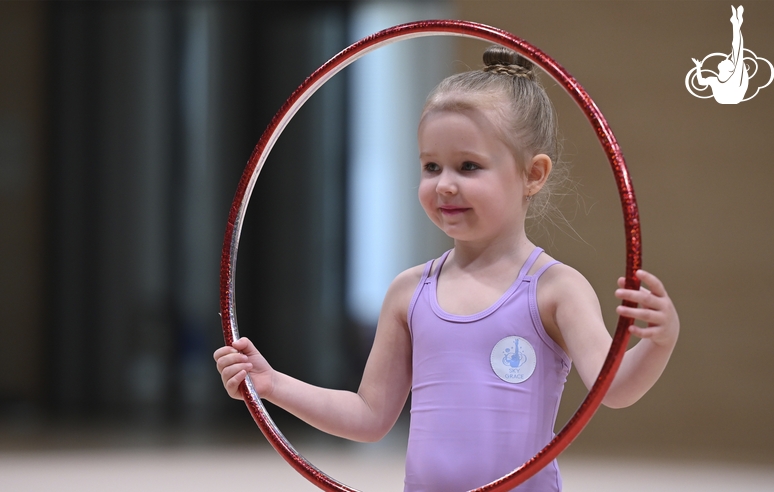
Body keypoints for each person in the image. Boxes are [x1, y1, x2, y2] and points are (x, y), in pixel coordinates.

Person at [214, 45, 679, 491]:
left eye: (469, 166)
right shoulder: (409, 292)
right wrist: (272, 384)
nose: (445, 185)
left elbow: (613, 389)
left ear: (533, 175)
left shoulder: (555, 289)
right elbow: (369, 415)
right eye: (431, 166)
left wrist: (659, 341)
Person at [692, 5, 748, 104]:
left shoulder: (728, 78)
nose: (724, 59)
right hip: (730, 97)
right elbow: (701, 82)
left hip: (731, 97)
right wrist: (698, 67)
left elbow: (737, 49)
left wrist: (698, 67)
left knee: (737, 51)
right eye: (728, 60)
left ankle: (736, 23)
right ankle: (736, 23)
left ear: (729, 69)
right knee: (737, 52)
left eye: (726, 61)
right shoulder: (717, 79)